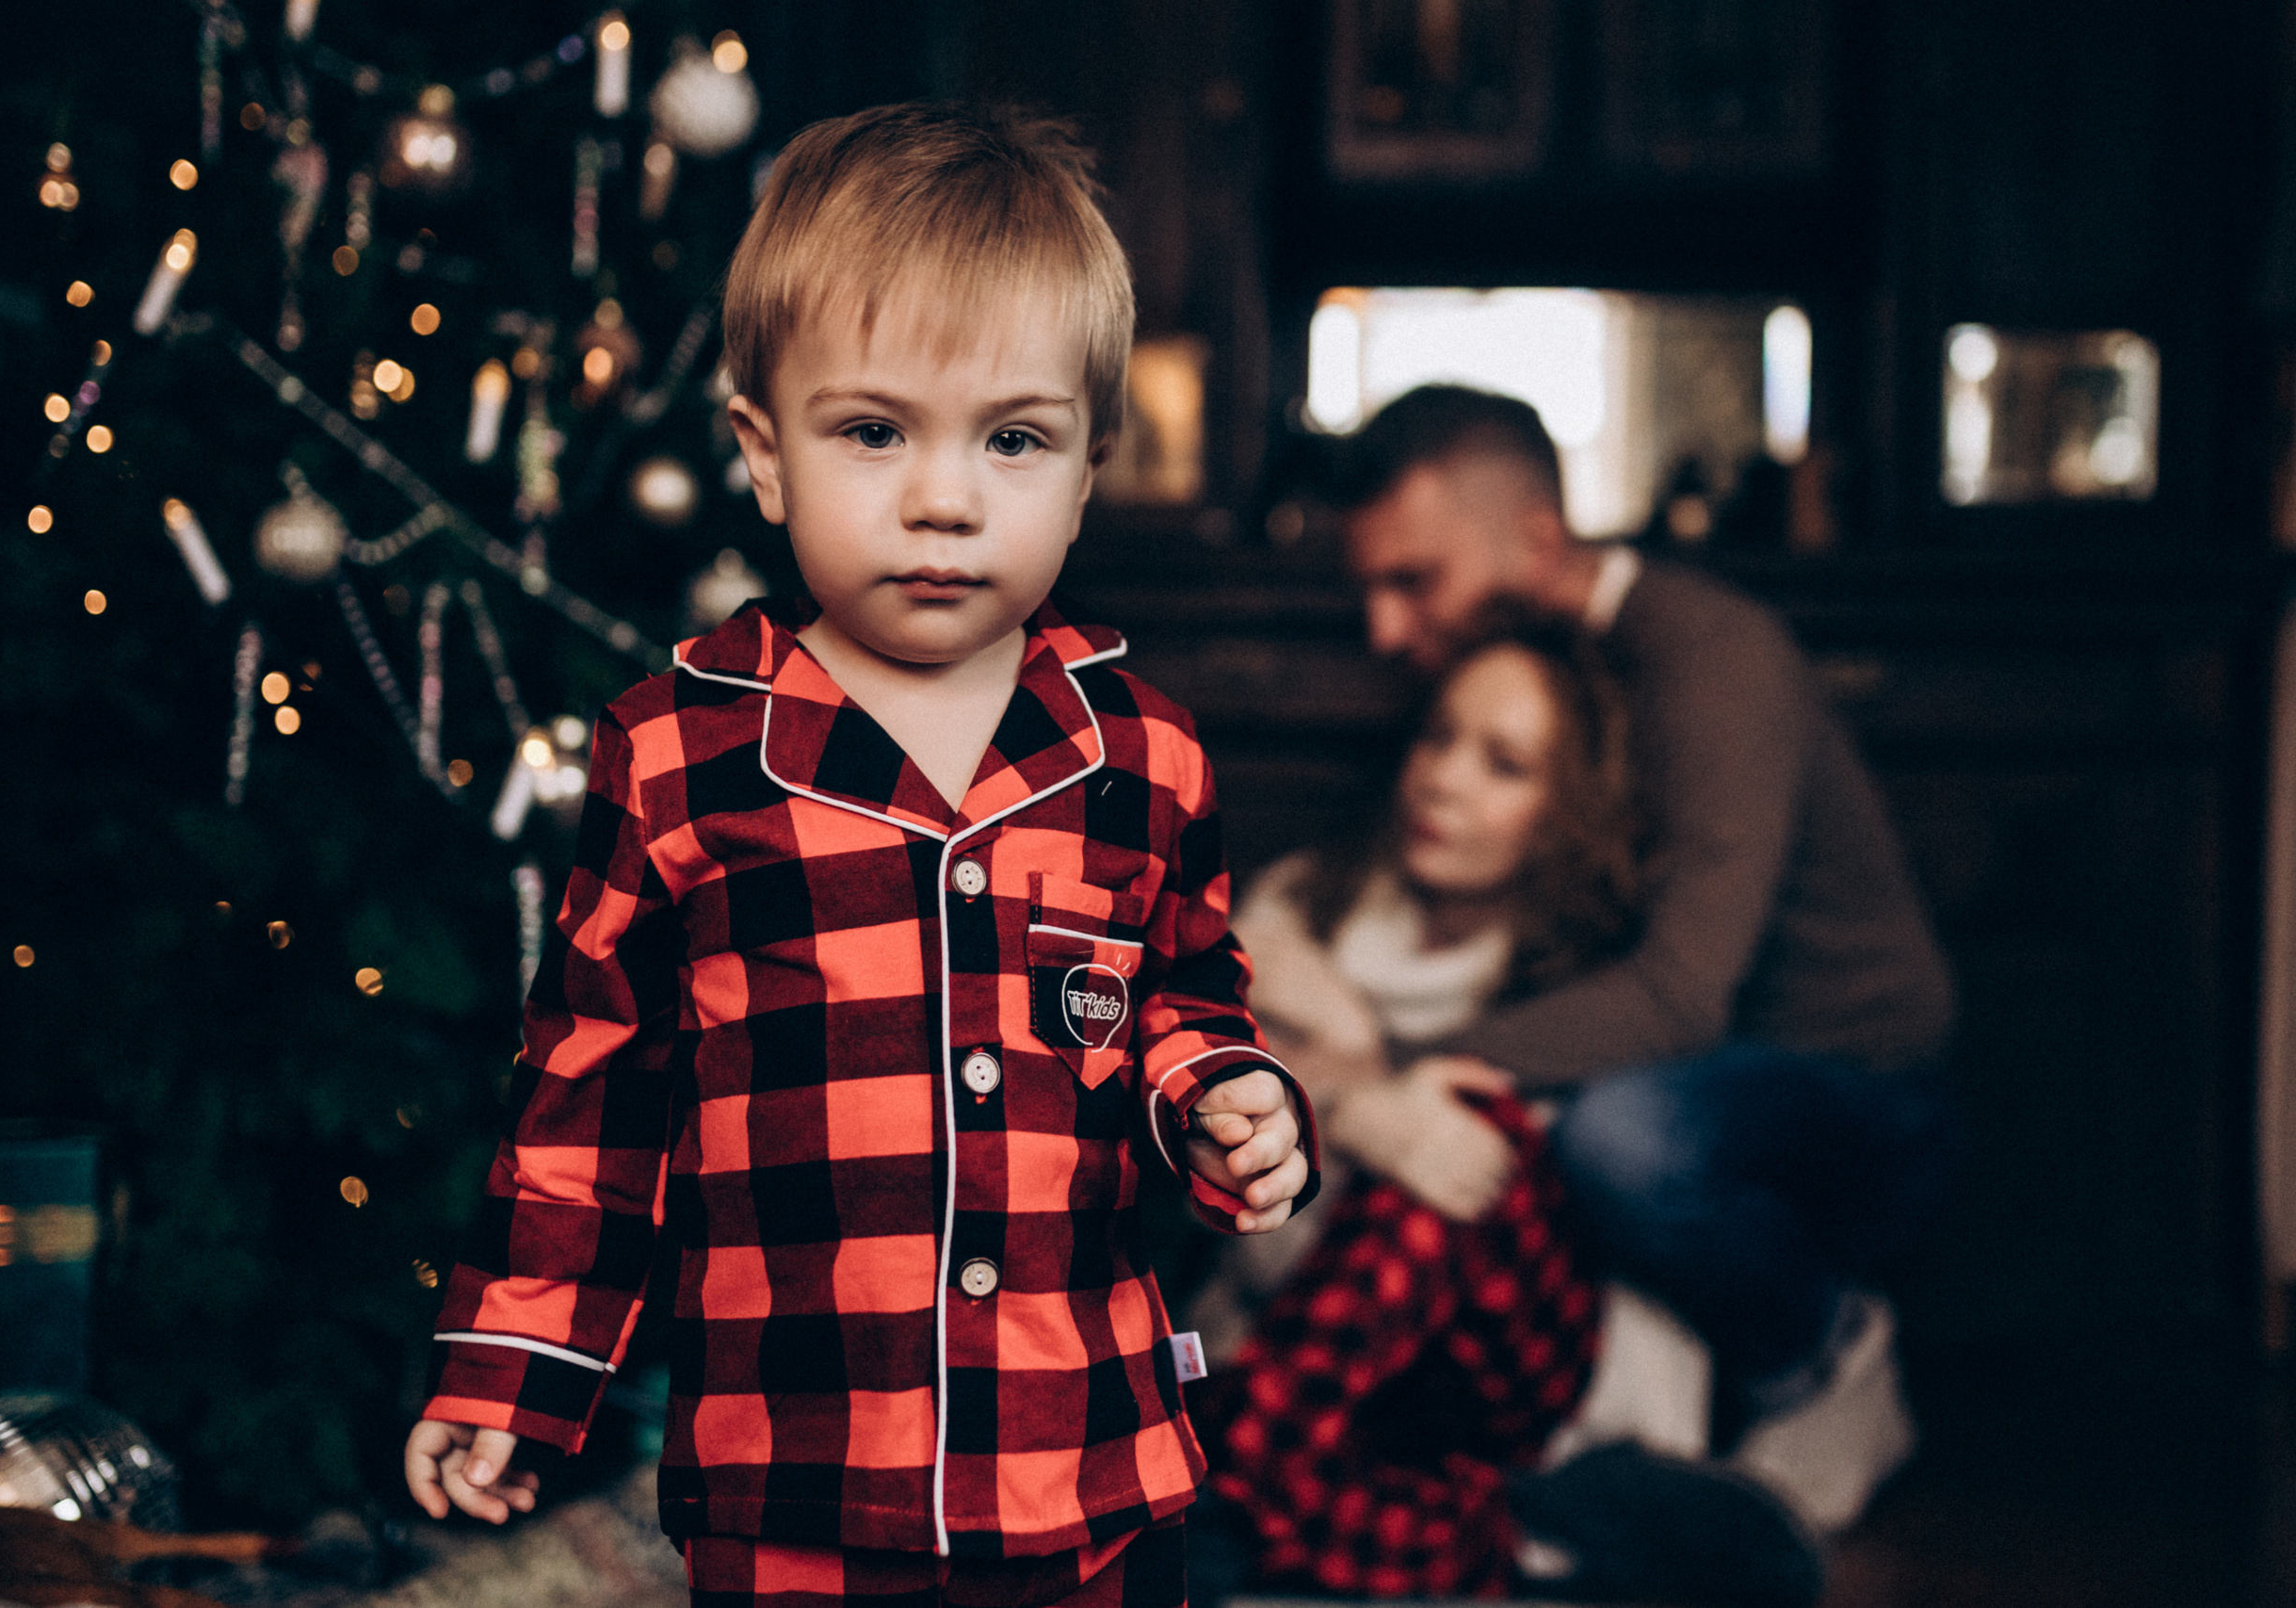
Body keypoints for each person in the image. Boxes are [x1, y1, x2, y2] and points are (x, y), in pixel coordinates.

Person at [399, 104, 1318, 1608]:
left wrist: (1225, 1097)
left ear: (1088, 471)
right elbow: (592, 1099)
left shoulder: (1143, 756)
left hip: (1083, 1464)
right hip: (797, 1478)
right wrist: (512, 1371)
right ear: (765, 455)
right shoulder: (678, 757)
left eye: (1014, 439)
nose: (945, 497)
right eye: (874, 431)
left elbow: (1181, 998)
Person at [1331, 384, 1959, 1530]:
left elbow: (1676, 1002)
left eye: (1413, 581)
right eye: (1369, 587)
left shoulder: (1713, 660)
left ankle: (1826, 1353)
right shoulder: (1533, 673)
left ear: (1535, 538)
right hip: (1687, 1068)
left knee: (1614, 1137)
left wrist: (1381, 1070)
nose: (1383, 630)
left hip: (1854, 1091)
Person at [1187, 610, 1823, 1608]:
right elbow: (1181, 1092)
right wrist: (1351, 1098)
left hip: (1506, 1368)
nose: (1443, 780)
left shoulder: (1583, 981)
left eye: (1505, 765)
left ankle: (1233, 1474)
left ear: (1570, 809)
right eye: (1438, 738)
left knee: (1469, 1127)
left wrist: (1390, 1106)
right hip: (1318, 1359)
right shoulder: (1294, 918)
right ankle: (1514, 1537)